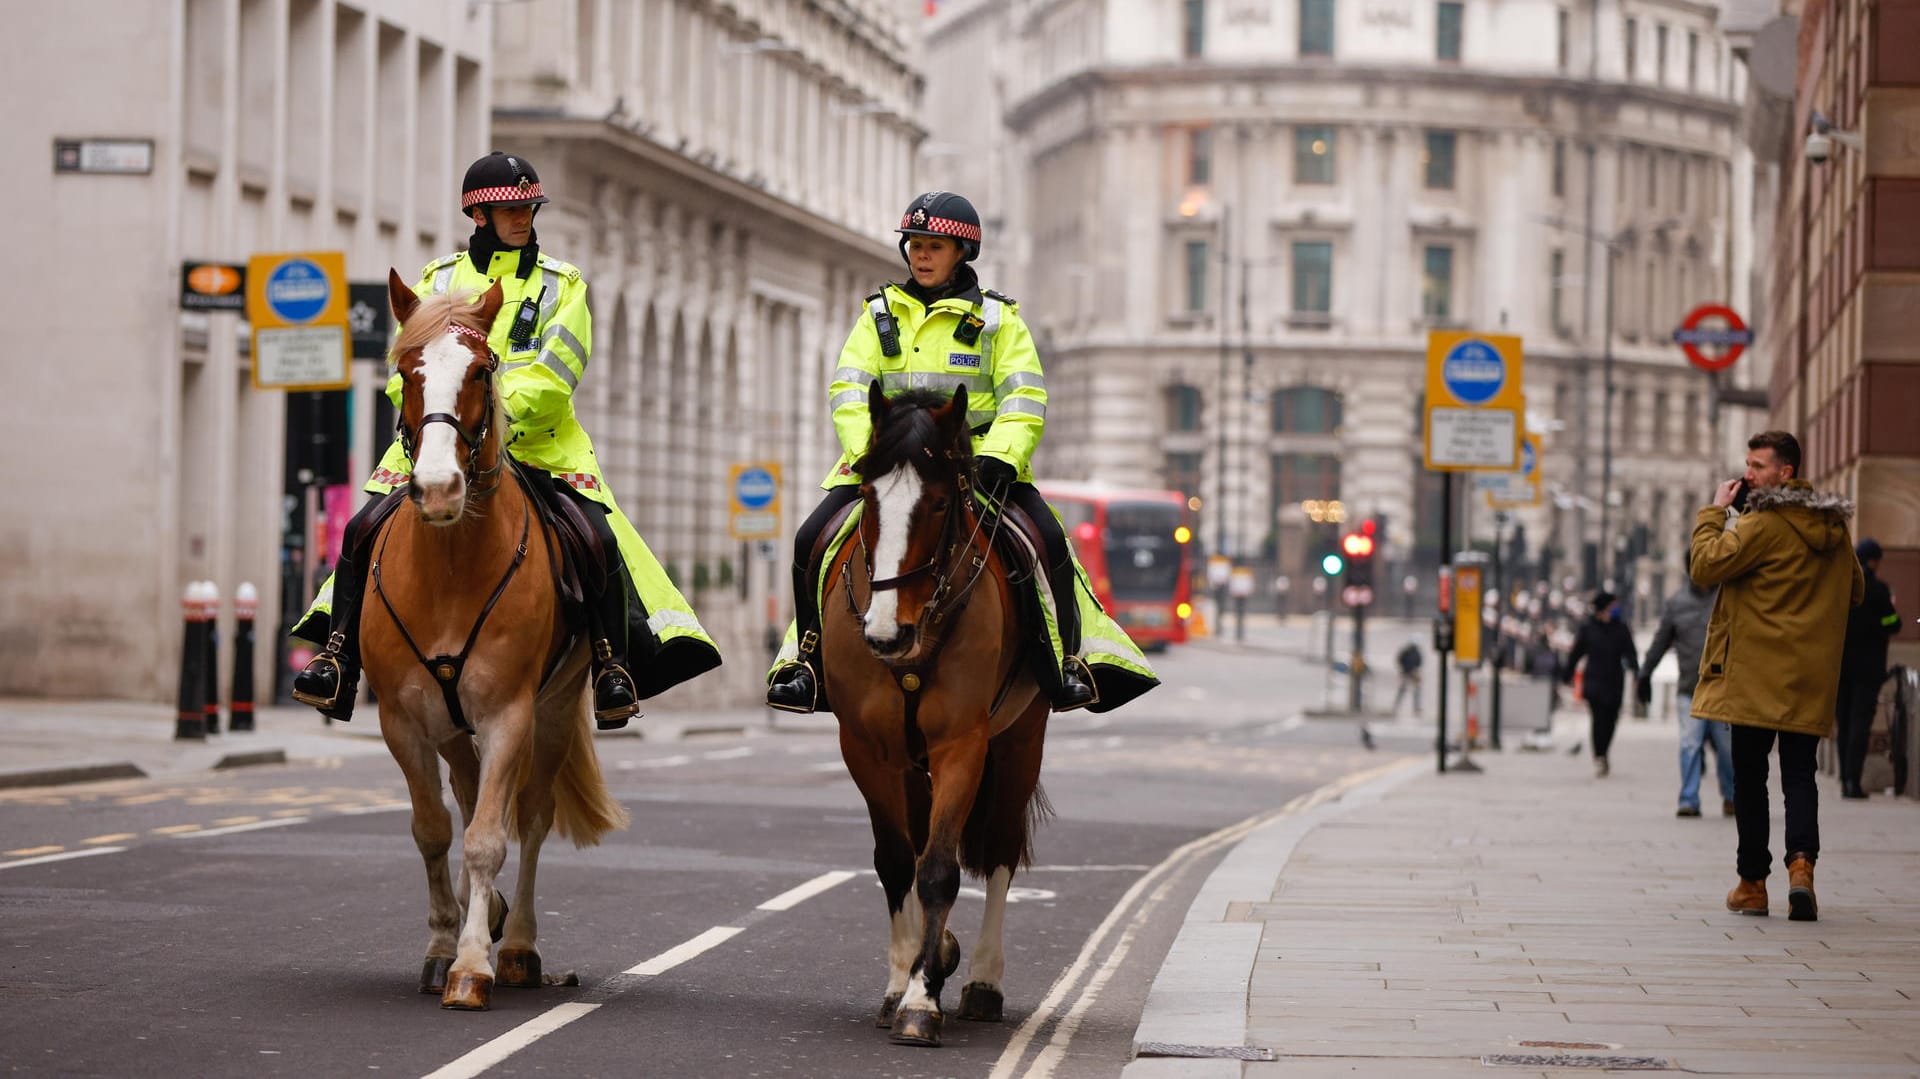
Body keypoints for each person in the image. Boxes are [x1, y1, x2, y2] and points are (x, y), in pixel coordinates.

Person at [290, 151, 722, 729]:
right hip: (438, 440)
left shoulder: (562, 286)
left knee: (596, 536)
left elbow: (556, 375)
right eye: (510, 208)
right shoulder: (437, 281)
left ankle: (612, 666)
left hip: (540, 445)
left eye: (528, 207)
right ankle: (337, 657)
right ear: (479, 216)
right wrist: (437, 425)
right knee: (362, 526)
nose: (523, 217)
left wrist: (496, 419)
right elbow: (408, 373)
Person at [762, 191, 1158, 715]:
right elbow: (849, 389)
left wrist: (1000, 456)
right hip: (887, 467)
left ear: (962, 253)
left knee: (1050, 542)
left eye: (935, 246)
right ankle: (806, 662)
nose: (922, 256)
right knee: (810, 538)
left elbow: (1024, 396)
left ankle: (1068, 662)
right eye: (915, 246)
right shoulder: (877, 315)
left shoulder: (998, 321)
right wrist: (871, 452)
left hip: (976, 469)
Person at [1692, 430, 1862, 922]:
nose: (1748, 475)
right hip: (1807, 676)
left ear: (1786, 472)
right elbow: (1855, 589)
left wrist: (1715, 513)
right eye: (1747, 464)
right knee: (1800, 774)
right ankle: (1802, 869)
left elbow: (1704, 565)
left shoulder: (1760, 524)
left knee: (1750, 778)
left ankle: (1752, 884)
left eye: (1758, 466)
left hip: (1754, 675)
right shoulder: (1833, 529)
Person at [1637, 552, 1734, 817]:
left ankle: (1731, 796)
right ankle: (1689, 799)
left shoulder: (1727, 597)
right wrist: (1644, 674)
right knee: (1690, 744)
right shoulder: (1677, 603)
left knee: (1727, 749)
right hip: (1690, 689)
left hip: (1721, 691)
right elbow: (1660, 642)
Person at [1836, 538, 1901, 799]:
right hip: (1868, 669)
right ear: (1873, 561)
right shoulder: (1878, 590)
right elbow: (1893, 623)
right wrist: (1891, 613)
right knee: (1860, 724)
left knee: (1844, 722)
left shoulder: (1841, 589)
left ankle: (1844, 779)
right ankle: (1853, 780)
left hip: (1840, 668)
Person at [1562, 591, 1637, 777]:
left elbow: (1630, 652)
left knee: (1611, 719)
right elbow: (1576, 652)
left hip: (1614, 680)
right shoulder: (1588, 628)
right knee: (1598, 719)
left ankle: (1604, 751)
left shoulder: (1621, 628)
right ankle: (1599, 755)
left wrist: (1637, 672)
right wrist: (1567, 673)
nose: (1616, 610)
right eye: (1612, 607)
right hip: (1594, 680)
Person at [1392, 635, 1423, 717]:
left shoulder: (1415, 652)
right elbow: (1400, 660)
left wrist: (1415, 671)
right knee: (1403, 690)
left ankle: (1416, 708)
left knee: (1416, 691)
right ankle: (1397, 706)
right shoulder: (1407, 651)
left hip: (1411, 673)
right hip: (1406, 673)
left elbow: (1419, 663)